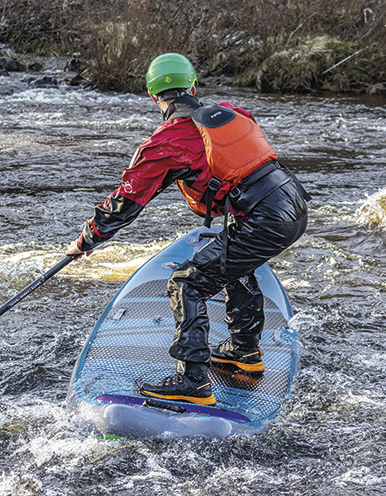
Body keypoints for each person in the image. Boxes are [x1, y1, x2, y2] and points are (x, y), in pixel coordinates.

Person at [66, 53, 309, 406]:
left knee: (187, 282)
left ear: (153, 97)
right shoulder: (230, 112)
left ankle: (192, 381)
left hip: (263, 217)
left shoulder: (165, 142)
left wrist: (86, 241)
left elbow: (127, 200)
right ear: (194, 86)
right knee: (232, 265)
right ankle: (243, 352)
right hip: (293, 203)